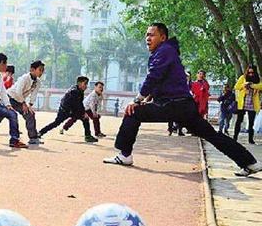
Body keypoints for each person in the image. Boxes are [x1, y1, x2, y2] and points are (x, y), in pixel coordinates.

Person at [103, 23, 261, 177]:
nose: (147, 38)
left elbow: (153, 77)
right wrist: (148, 99)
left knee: (133, 112)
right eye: (146, 35)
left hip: (173, 105)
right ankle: (250, 163)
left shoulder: (164, 51)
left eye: (151, 34)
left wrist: (137, 100)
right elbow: (159, 82)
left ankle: (125, 155)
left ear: (163, 37)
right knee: (213, 135)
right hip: (183, 106)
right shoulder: (166, 52)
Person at [0, 60, 45, 145]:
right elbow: (18, 91)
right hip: (10, 98)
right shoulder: (24, 78)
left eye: (42, 70)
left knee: (30, 114)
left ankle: (33, 138)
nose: (41, 72)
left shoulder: (38, 82)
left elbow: (34, 94)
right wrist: (23, 103)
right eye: (40, 70)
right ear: (32, 70)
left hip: (20, 101)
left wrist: (30, 105)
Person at [37, 76, 99, 143]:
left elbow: (80, 103)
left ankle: (88, 136)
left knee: (85, 119)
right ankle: (40, 132)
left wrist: (83, 113)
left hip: (72, 110)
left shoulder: (80, 90)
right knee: (56, 123)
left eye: (87, 84)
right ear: (79, 83)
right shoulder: (74, 91)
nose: (86, 86)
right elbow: (77, 105)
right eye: (85, 84)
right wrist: (83, 113)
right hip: (64, 111)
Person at [233, 65, 261, 145]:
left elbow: (261, 86)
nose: (251, 74)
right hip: (243, 103)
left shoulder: (258, 79)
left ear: (255, 72)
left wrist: (252, 85)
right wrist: (244, 85)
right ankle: (235, 137)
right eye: (249, 72)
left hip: (252, 104)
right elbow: (236, 87)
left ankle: (251, 140)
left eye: (252, 72)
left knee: (251, 123)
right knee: (239, 121)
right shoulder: (243, 77)